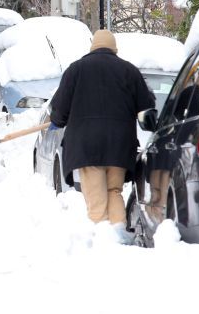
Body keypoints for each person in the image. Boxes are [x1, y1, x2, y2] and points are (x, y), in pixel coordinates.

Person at [49, 30, 155, 241]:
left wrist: (57, 121)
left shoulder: (76, 70)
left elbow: (60, 107)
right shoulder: (129, 71)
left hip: (87, 146)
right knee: (114, 191)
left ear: (92, 47)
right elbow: (146, 108)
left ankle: (102, 242)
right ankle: (118, 236)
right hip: (119, 146)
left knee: (96, 198)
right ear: (114, 48)